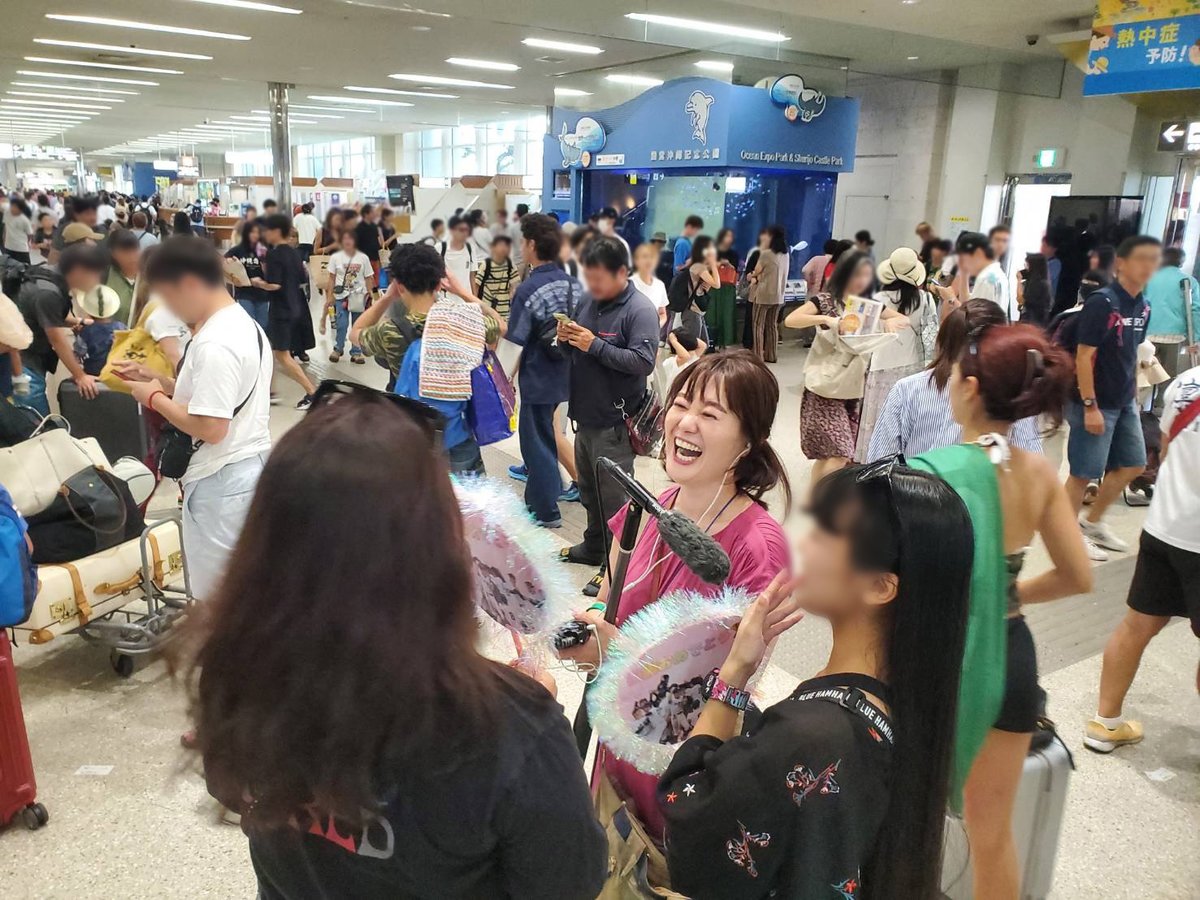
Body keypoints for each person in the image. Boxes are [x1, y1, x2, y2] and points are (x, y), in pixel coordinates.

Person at [177, 388, 607, 900]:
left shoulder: (235, 672)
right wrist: (526, 722)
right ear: (438, 554)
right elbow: (567, 882)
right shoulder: (511, 730)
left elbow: (231, 789)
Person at [656, 459, 971, 899]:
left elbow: (688, 820)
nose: (801, 542)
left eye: (825, 534)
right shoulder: (911, 706)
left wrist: (732, 676)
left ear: (879, 586)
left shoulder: (809, 737)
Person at [557, 350, 793, 840]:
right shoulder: (654, 506)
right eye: (681, 404)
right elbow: (609, 599)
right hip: (618, 737)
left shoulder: (759, 549)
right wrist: (587, 631)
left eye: (710, 414)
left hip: (680, 765)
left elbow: (732, 684)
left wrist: (620, 654)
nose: (685, 423)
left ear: (750, 440)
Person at [934, 322, 1092, 900]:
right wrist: (1006, 593)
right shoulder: (1038, 473)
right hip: (1010, 656)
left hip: (940, 653)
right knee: (993, 833)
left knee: (908, 811)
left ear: (971, 388)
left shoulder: (932, 472)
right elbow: (1078, 575)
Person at [117, 237, 272, 601]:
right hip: (246, 466)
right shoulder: (242, 323)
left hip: (222, 480)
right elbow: (215, 398)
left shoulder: (216, 342)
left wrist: (152, 397)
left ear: (189, 283)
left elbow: (211, 427)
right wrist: (159, 381)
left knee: (220, 598)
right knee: (243, 587)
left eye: (168, 297)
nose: (169, 310)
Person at [1086, 360, 1200, 753]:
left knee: (1137, 625)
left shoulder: (1187, 383)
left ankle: (1104, 723)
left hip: (1163, 528)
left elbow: (1166, 450)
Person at [557, 237, 660, 594]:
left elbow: (643, 362)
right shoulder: (589, 300)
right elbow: (577, 349)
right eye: (588, 277)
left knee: (615, 500)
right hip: (585, 416)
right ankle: (594, 546)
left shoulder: (639, 310)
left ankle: (616, 568)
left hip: (616, 422)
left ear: (621, 273)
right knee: (589, 490)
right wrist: (565, 339)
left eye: (599, 278)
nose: (593, 285)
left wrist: (595, 345)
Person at [355, 244, 496, 475]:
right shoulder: (463, 319)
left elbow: (355, 333)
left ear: (399, 286)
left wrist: (387, 298)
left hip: (415, 439)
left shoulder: (389, 331)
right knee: (466, 497)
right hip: (459, 436)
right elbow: (500, 325)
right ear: (439, 284)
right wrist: (463, 292)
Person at [1064, 236, 1160, 562]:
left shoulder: (1144, 305)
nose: (1148, 266)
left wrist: (1133, 393)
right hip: (1094, 401)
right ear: (1121, 263)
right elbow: (1083, 356)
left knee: (1134, 464)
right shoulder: (1102, 303)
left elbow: (1131, 351)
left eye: (1153, 260)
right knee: (1083, 473)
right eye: (1141, 259)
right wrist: (1089, 405)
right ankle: (1067, 536)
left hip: (1124, 401)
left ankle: (1091, 522)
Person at [866, 298, 1044, 460]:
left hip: (914, 483)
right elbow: (1029, 464)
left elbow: (879, 464)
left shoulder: (907, 390)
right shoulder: (1013, 395)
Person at [786, 250, 905, 489]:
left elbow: (902, 319)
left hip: (852, 386)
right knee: (839, 453)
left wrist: (890, 322)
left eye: (866, 275)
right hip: (825, 386)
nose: (862, 280)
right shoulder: (825, 301)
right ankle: (821, 499)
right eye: (857, 274)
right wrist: (825, 320)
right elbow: (791, 320)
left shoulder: (869, 306)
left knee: (831, 455)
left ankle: (814, 498)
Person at [506, 213, 575, 528]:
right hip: (565, 372)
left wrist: (504, 377)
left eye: (523, 241)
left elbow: (516, 339)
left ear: (532, 244)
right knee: (549, 434)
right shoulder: (573, 284)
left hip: (537, 375)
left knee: (535, 443)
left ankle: (544, 510)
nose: (521, 246)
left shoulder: (529, 288)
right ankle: (554, 492)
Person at [854, 247, 939, 460]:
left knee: (878, 418)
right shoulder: (925, 299)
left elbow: (862, 334)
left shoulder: (877, 297)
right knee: (907, 418)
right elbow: (931, 334)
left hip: (880, 363)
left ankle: (874, 459)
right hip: (912, 365)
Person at [12, 242, 107, 414]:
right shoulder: (48, 293)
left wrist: (81, 322)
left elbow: (50, 316)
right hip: (21, 362)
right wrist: (80, 376)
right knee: (33, 417)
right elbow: (56, 338)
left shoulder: (48, 275)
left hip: (24, 355)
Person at [259, 214, 318, 409]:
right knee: (272, 350)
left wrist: (258, 283)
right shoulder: (294, 253)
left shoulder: (274, 254)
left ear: (277, 231)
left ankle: (312, 392)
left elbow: (274, 285)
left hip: (281, 309)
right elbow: (302, 278)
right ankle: (268, 392)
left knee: (282, 355)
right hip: (295, 306)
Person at [1144, 246, 1200, 414]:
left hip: (1148, 334)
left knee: (1144, 373)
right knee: (1168, 376)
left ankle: (1140, 407)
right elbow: (1195, 310)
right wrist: (1196, 337)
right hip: (1174, 336)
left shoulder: (1148, 277)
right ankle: (1160, 409)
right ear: (1181, 262)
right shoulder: (1188, 280)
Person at [326, 228, 374, 364]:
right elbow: (331, 278)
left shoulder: (363, 258)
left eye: (350, 238)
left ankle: (356, 351)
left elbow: (369, 277)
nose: (348, 241)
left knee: (358, 325)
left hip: (359, 296)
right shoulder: (335, 257)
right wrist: (329, 296)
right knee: (341, 324)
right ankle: (338, 348)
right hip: (341, 296)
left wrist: (371, 294)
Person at [747, 226, 788, 363]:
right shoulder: (786, 255)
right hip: (779, 296)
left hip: (764, 295)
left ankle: (758, 356)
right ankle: (772, 355)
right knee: (772, 325)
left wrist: (754, 276)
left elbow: (757, 271)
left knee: (758, 325)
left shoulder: (766, 254)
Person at [952, 231, 1011, 319]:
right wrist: (964, 274)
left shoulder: (986, 279)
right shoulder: (997, 274)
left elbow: (973, 314)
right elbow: (969, 304)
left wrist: (950, 298)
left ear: (978, 253)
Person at [226, 221, 270, 331]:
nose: (255, 235)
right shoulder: (237, 250)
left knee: (263, 325)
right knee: (249, 323)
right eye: (252, 232)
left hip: (262, 293)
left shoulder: (263, 250)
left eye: (257, 232)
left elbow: (272, 272)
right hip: (244, 293)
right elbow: (223, 265)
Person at [704, 227, 738, 349]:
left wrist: (728, 264)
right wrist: (718, 263)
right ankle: (712, 341)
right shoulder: (712, 251)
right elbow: (706, 266)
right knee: (712, 314)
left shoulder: (733, 253)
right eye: (726, 236)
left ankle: (727, 341)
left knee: (727, 314)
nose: (728, 239)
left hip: (728, 287)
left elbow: (736, 269)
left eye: (730, 236)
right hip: (713, 285)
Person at [471, 234, 517, 318]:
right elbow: (477, 285)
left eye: (506, 246)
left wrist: (511, 296)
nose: (503, 248)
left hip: (504, 308)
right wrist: (476, 304)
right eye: (500, 245)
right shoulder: (486, 264)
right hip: (487, 307)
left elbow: (514, 284)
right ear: (493, 247)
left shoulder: (510, 264)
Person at [104, 228, 141, 325]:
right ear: (113, 254)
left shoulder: (149, 276)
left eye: (135, 249)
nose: (132, 256)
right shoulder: (104, 275)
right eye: (125, 251)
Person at [631, 240, 669, 328]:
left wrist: (655, 327)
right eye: (645, 256)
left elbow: (662, 313)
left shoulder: (660, 285)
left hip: (653, 334)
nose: (648, 261)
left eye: (652, 257)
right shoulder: (629, 284)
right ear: (636, 260)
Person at [1017, 252, 1053, 327]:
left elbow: (1021, 300)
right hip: (1036, 322)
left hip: (1031, 322)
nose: (1025, 266)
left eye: (1027, 264)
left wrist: (1019, 280)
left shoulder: (1037, 284)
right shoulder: (1041, 282)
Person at [440, 215, 475, 287]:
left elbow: (472, 276)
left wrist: (473, 294)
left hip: (465, 293)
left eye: (467, 230)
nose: (465, 233)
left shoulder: (470, 248)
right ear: (452, 230)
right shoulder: (441, 248)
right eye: (461, 230)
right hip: (447, 292)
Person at [354, 204, 384, 284]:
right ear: (366, 214)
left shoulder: (374, 226)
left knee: (376, 278)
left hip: (375, 257)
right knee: (366, 279)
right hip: (364, 258)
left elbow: (377, 241)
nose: (374, 214)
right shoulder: (359, 227)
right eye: (372, 212)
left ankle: (375, 291)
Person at [4, 197, 34, 264]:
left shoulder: (24, 220)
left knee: (25, 267)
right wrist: (4, 240)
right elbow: (6, 228)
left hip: (21, 248)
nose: (12, 208)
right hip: (8, 247)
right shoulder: (7, 215)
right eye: (12, 206)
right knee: (9, 267)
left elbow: (29, 234)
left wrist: (28, 243)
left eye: (15, 207)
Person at [1041, 232, 1062, 297]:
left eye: (1045, 246)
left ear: (1054, 249)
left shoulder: (1056, 263)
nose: (1042, 248)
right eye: (1042, 245)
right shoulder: (1043, 261)